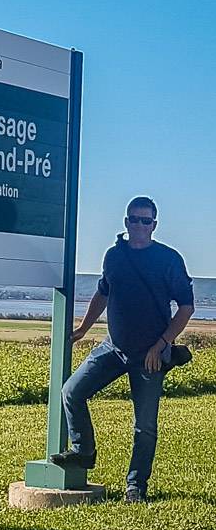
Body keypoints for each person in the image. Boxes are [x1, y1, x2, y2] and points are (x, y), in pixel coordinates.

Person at [51, 196, 194, 502]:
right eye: (134, 219)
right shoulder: (114, 256)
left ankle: (135, 486)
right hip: (113, 348)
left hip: (150, 356)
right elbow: (103, 294)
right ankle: (83, 451)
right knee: (71, 392)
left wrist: (162, 344)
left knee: (144, 426)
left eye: (146, 221)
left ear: (154, 225)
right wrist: (83, 329)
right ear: (126, 222)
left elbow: (186, 307)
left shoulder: (168, 260)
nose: (139, 225)